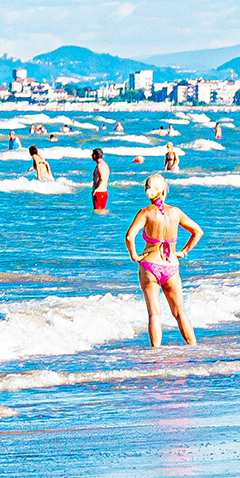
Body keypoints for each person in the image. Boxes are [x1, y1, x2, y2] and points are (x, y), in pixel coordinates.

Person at [124, 173, 203, 347]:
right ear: (164, 191)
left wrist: (134, 256)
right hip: (171, 266)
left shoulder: (145, 213)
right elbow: (198, 231)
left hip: (149, 266)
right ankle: (194, 348)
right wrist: (184, 251)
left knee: (154, 314)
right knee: (180, 312)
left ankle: (156, 354)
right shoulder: (175, 212)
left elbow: (129, 236)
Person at [91, 148, 110, 212]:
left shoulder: (100, 165)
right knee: (102, 211)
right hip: (104, 191)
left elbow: (101, 178)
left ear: (94, 156)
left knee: (97, 212)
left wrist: (96, 189)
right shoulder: (105, 164)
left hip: (99, 192)